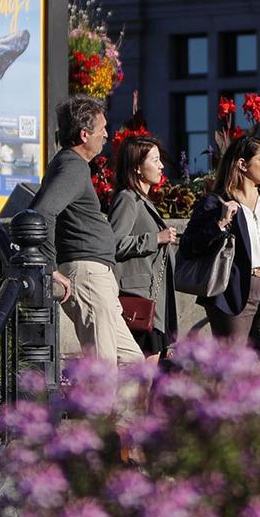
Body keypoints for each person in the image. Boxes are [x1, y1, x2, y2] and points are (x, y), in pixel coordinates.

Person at [27, 96, 146, 367]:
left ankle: (118, 412)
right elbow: (42, 213)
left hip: (95, 276)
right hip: (87, 275)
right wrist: (48, 266)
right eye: (102, 128)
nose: (107, 134)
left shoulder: (71, 165)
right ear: (84, 134)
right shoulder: (72, 166)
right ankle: (97, 411)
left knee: (131, 361)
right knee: (103, 369)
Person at [180, 136, 260, 346]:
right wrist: (220, 223)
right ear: (242, 164)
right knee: (232, 367)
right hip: (231, 294)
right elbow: (189, 246)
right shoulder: (215, 202)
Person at [108, 135, 179, 363]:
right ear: (138, 168)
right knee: (142, 374)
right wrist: (155, 238)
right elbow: (114, 244)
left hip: (152, 299)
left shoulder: (143, 200)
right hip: (137, 299)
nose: (161, 166)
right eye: (155, 160)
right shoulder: (128, 199)